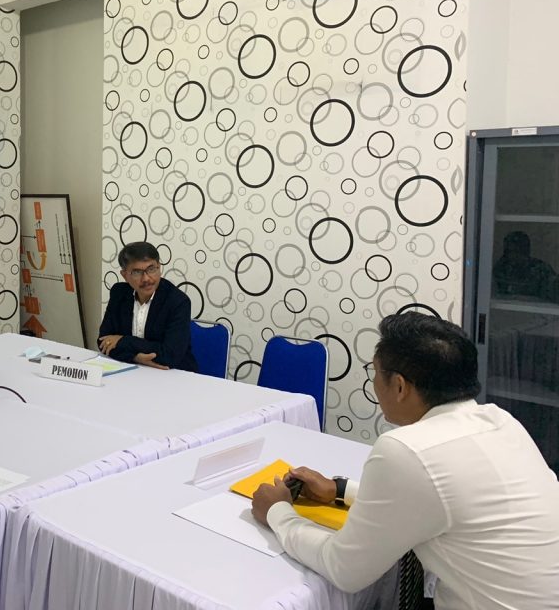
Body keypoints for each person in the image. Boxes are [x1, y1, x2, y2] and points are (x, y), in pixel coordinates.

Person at [251, 312, 559, 609]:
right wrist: (340, 490)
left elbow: (344, 569)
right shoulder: (501, 421)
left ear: (399, 386)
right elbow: (444, 499)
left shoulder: (406, 450)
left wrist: (278, 512)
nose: (374, 385)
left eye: (374, 373)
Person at [97, 241, 196, 371]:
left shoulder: (178, 301)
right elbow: (103, 342)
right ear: (125, 275)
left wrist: (123, 340)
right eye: (137, 272)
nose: (146, 279)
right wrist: (136, 358)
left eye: (151, 269)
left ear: (159, 268)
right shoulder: (119, 293)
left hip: (173, 373)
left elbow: (169, 356)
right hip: (131, 370)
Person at [493, 230, 558, 301]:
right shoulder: (501, 267)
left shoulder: (541, 269)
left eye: (516, 251)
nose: (512, 256)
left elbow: (552, 296)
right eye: (508, 251)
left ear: (526, 251)